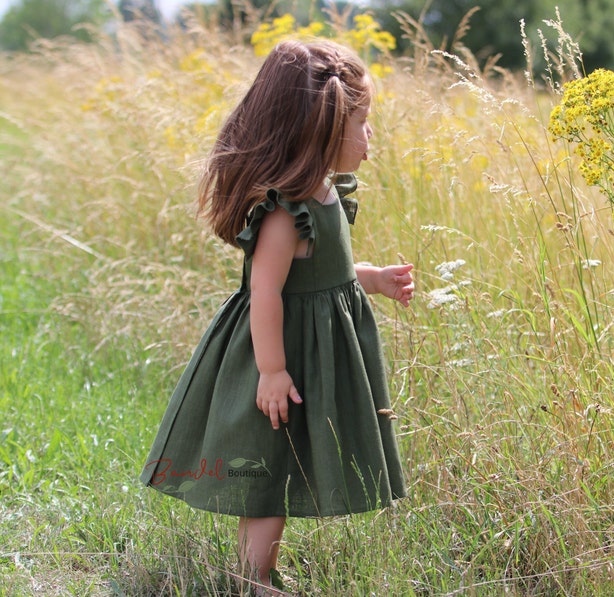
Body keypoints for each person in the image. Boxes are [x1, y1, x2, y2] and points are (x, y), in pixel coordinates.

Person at [140, 39, 414, 593]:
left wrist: (371, 278)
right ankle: (251, 578)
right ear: (320, 127)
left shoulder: (326, 195)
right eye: (362, 124)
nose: (370, 139)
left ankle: (258, 572)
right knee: (266, 472)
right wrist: (271, 370)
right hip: (281, 357)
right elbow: (265, 291)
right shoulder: (287, 213)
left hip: (311, 355)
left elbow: (321, 275)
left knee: (288, 465)